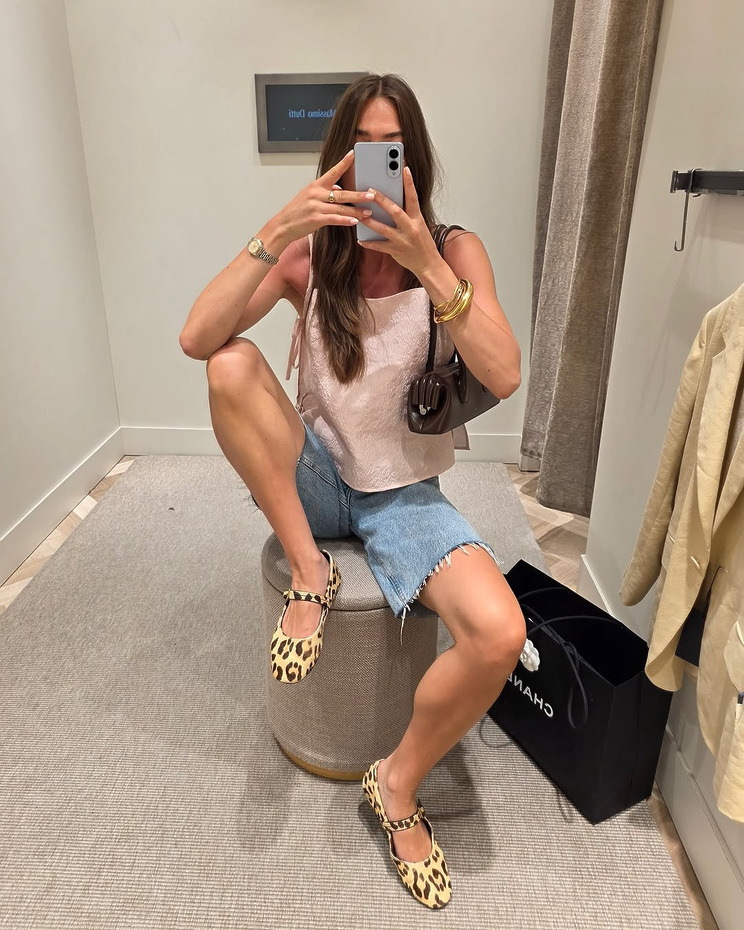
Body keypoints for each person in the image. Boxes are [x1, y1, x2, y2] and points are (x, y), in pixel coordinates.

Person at [180, 73, 526, 910]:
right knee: (230, 365)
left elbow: (505, 373)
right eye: (360, 148)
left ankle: (395, 783)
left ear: (413, 161)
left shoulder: (454, 251)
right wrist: (278, 229)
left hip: (404, 493)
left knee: (499, 634)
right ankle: (312, 569)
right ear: (338, 160)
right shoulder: (311, 256)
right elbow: (197, 337)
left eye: (390, 149)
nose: (375, 167)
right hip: (317, 475)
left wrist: (424, 262)